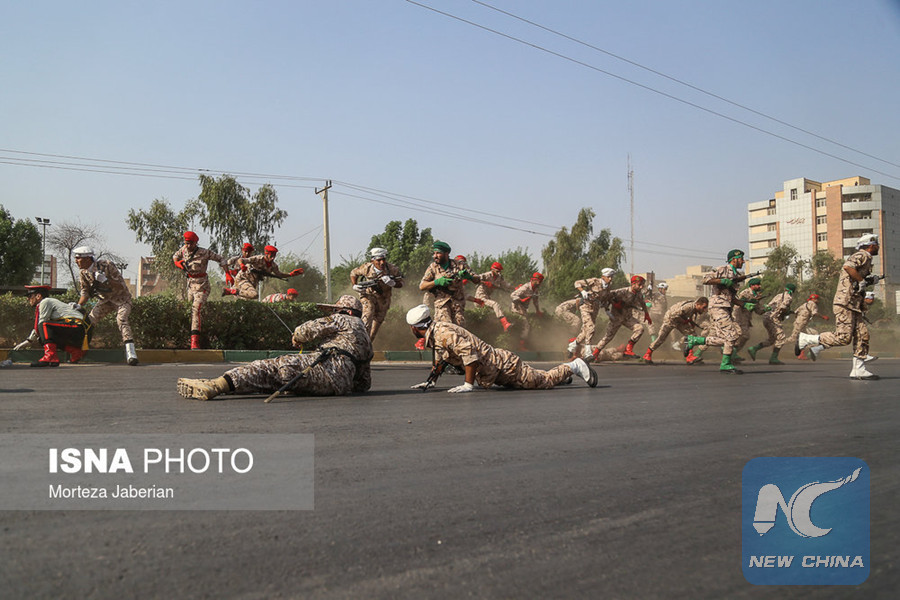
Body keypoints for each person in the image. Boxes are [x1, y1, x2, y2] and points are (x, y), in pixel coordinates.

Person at [177, 295, 373, 400]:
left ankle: (216, 386)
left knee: (268, 368)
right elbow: (364, 383)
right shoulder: (365, 336)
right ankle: (226, 385)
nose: (334, 312)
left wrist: (297, 337)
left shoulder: (342, 319)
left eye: (336, 310)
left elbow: (306, 330)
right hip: (339, 387)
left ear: (346, 311)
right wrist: (342, 382)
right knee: (275, 380)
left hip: (325, 368)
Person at [405, 304, 597, 392]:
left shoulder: (442, 333)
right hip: (496, 370)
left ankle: (575, 366)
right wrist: (430, 381)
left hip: (504, 366)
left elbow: (469, 354)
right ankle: (563, 376)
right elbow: (442, 359)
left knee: (544, 381)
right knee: (538, 378)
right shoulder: (436, 333)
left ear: (414, 328)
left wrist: (468, 385)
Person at [796, 234, 883, 379]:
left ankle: (859, 370)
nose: (878, 247)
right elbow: (848, 267)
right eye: (877, 245)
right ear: (871, 245)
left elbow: (853, 280)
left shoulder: (866, 258)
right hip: (845, 302)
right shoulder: (863, 255)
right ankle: (806, 339)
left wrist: (868, 280)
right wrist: (862, 280)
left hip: (854, 304)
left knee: (862, 335)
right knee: (843, 337)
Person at [683, 249, 753, 374]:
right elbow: (705, 279)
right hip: (718, 307)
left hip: (726, 307)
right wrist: (722, 281)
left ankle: (694, 341)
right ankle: (725, 364)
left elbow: (731, 297)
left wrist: (744, 304)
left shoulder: (736, 275)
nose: (743, 261)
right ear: (734, 259)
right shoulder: (722, 269)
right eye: (741, 259)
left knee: (730, 336)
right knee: (731, 335)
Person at [73, 246, 139, 365]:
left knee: (121, 320)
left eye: (78, 258)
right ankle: (80, 351)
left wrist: (105, 280)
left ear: (87, 259)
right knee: (88, 322)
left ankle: (131, 354)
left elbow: (121, 285)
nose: (76, 261)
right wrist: (78, 305)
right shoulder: (83, 273)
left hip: (121, 299)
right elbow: (85, 292)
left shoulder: (106, 265)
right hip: (105, 301)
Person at [172, 231, 230, 350]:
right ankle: (186, 337)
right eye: (186, 243)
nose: (188, 246)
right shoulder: (183, 250)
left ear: (195, 243)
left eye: (190, 243)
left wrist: (227, 273)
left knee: (195, 309)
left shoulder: (204, 252)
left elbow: (221, 259)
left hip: (202, 286)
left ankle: (195, 341)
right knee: (187, 309)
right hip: (190, 286)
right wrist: (178, 263)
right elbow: (175, 257)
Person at [13, 285, 89, 367]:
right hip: (80, 329)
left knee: (44, 325)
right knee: (44, 335)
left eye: (30, 296)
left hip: (76, 326)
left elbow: (40, 324)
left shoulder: (45, 302)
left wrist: (29, 341)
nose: (28, 299)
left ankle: (49, 357)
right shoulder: (51, 302)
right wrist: (29, 340)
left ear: (38, 296)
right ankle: (75, 352)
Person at [588, 275, 651, 360]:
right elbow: (606, 296)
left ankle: (628, 349)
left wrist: (647, 314)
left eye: (642, 285)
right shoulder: (622, 291)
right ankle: (595, 354)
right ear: (633, 284)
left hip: (627, 318)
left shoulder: (638, 294)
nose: (641, 287)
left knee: (640, 329)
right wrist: (614, 304)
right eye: (639, 284)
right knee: (608, 337)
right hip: (616, 318)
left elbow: (642, 303)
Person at [350, 247, 404, 342]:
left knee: (375, 327)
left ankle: (368, 343)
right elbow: (353, 273)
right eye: (378, 260)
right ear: (372, 261)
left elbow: (402, 283)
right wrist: (354, 285)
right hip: (368, 295)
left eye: (383, 259)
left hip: (383, 299)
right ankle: (361, 340)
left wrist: (392, 283)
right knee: (368, 313)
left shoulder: (392, 269)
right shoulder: (366, 268)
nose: (382, 263)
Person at [419, 241, 478, 327]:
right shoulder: (433, 267)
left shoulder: (460, 265)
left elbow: (477, 280)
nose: (435, 256)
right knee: (444, 327)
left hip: (457, 304)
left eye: (438, 253)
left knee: (459, 328)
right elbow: (422, 286)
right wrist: (437, 282)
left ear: (446, 254)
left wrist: (469, 277)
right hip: (441, 303)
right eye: (434, 253)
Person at [222, 245, 304, 300]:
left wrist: (290, 274)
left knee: (247, 301)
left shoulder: (273, 266)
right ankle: (232, 291)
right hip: (243, 279)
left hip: (252, 283)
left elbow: (279, 274)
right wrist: (242, 265)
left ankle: (231, 292)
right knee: (254, 295)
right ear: (266, 254)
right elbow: (241, 259)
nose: (273, 258)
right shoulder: (258, 259)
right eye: (271, 255)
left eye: (274, 256)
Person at [642, 297, 708, 364]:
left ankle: (689, 356)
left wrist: (689, 324)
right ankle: (647, 354)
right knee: (661, 338)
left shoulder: (694, 309)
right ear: (698, 304)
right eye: (704, 307)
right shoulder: (688, 307)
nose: (704, 310)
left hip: (679, 320)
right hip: (670, 319)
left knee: (692, 336)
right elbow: (674, 315)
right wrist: (684, 321)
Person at [571, 268, 615, 359]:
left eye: (611, 277)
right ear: (603, 277)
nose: (610, 279)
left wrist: (607, 310)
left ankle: (572, 345)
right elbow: (577, 283)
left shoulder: (608, 286)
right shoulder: (594, 281)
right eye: (608, 277)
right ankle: (588, 352)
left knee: (585, 332)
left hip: (595, 308)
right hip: (585, 307)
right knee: (591, 328)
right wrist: (582, 291)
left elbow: (605, 298)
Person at [747, 283, 796, 364]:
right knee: (781, 338)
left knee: (772, 339)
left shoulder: (779, 295)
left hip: (767, 317)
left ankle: (754, 349)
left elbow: (771, 305)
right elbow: (783, 308)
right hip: (773, 318)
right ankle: (773, 358)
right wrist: (786, 312)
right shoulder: (788, 297)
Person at [472, 261, 515, 331]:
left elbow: (506, 285)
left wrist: (516, 288)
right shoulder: (486, 275)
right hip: (480, 298)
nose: (499, 273)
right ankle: (505, 324)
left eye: (500, 271)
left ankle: (499, 329)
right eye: (497, 271)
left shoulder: (499, 277)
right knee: (495, 304)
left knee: (496, 311)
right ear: (492, 269)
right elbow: (475, 279)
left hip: (487, 298)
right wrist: (484, 282)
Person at [731, 277, 766, 362]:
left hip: (746, 319)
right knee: (740, 335)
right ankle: (731, 353)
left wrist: (765, 309)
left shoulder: (756, 295)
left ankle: (733, 353)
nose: (760, 286)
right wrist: (751, 301)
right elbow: (740, 302)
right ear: (752, 285)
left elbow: (758, 311)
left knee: (745, 336)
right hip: (738, 317)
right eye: (758, 285)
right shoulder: (745, 292)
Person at [509, 272, 545, 349]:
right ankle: (521, 345)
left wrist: (538, 311)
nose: (540, 283)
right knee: (525, 325)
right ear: (534, 280)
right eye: (539, 281)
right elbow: (513, 295)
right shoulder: (525, 287)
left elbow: (535, 301)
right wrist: (521, 300)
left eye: (540, 281)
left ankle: (517, 342)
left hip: (524, 309)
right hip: (516, 307)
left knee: (521, 324)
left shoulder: (535, 290)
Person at [787, 293, 829, 359]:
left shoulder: (804, 304)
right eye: (817, 299)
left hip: (800, 324)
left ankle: (803, 354)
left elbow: (796, 312)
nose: (818, 301)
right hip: (801, 325)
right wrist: (823, 317)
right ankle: (778, 344)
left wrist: (798, 319)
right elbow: (814, 313)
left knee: (810, 336)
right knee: (793, 339)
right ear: (814, 299)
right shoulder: (813, 304)